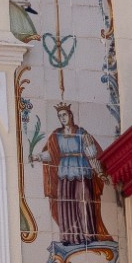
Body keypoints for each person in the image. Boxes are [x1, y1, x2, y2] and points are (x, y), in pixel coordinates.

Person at [39, 103, 109, 247]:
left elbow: (91, 155)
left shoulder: (82, 134)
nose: (62, 118)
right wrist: (37, 157)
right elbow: (52, 154)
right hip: (64, 172)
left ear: (70, 115)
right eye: (60, 116)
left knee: (84, 200)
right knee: (66, 203)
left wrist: (100, 172)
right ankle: (69, 236)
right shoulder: (57, 135)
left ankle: (88, 235)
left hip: (82, 170)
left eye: (64, 115)